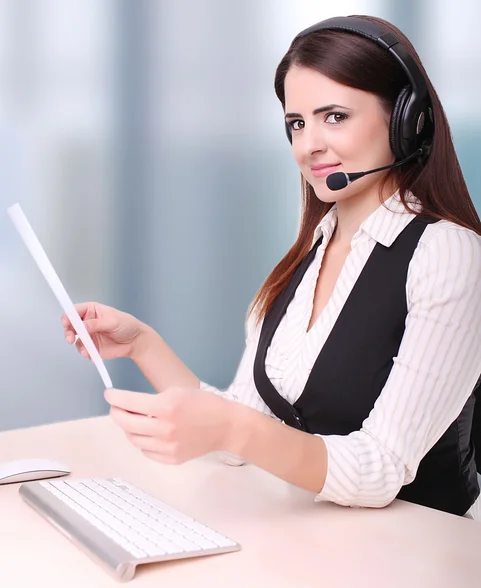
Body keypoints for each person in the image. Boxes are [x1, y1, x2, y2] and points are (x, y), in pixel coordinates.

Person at [62, 15, 481, 518]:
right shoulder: (311, 252)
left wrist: (232, 428)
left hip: (415, 554)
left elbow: (380, 468)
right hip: (317, 541)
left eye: (335, 117)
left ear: (406, 119)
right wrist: (141, 346)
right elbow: (245, 426)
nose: (309, 145)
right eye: (296, 124)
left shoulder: (447, 254)